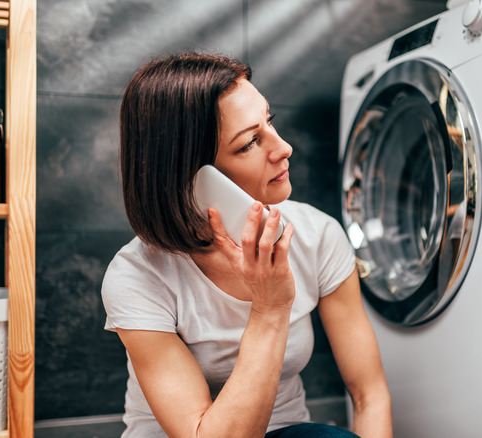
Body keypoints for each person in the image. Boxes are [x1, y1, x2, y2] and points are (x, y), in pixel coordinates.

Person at [101, 52, 392, 438]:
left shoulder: (317, 235)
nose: (284, 148)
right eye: (250, 143)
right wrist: (270, 307)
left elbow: (368, 394)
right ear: (192, 177)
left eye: (269, 122)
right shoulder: (136, 276)